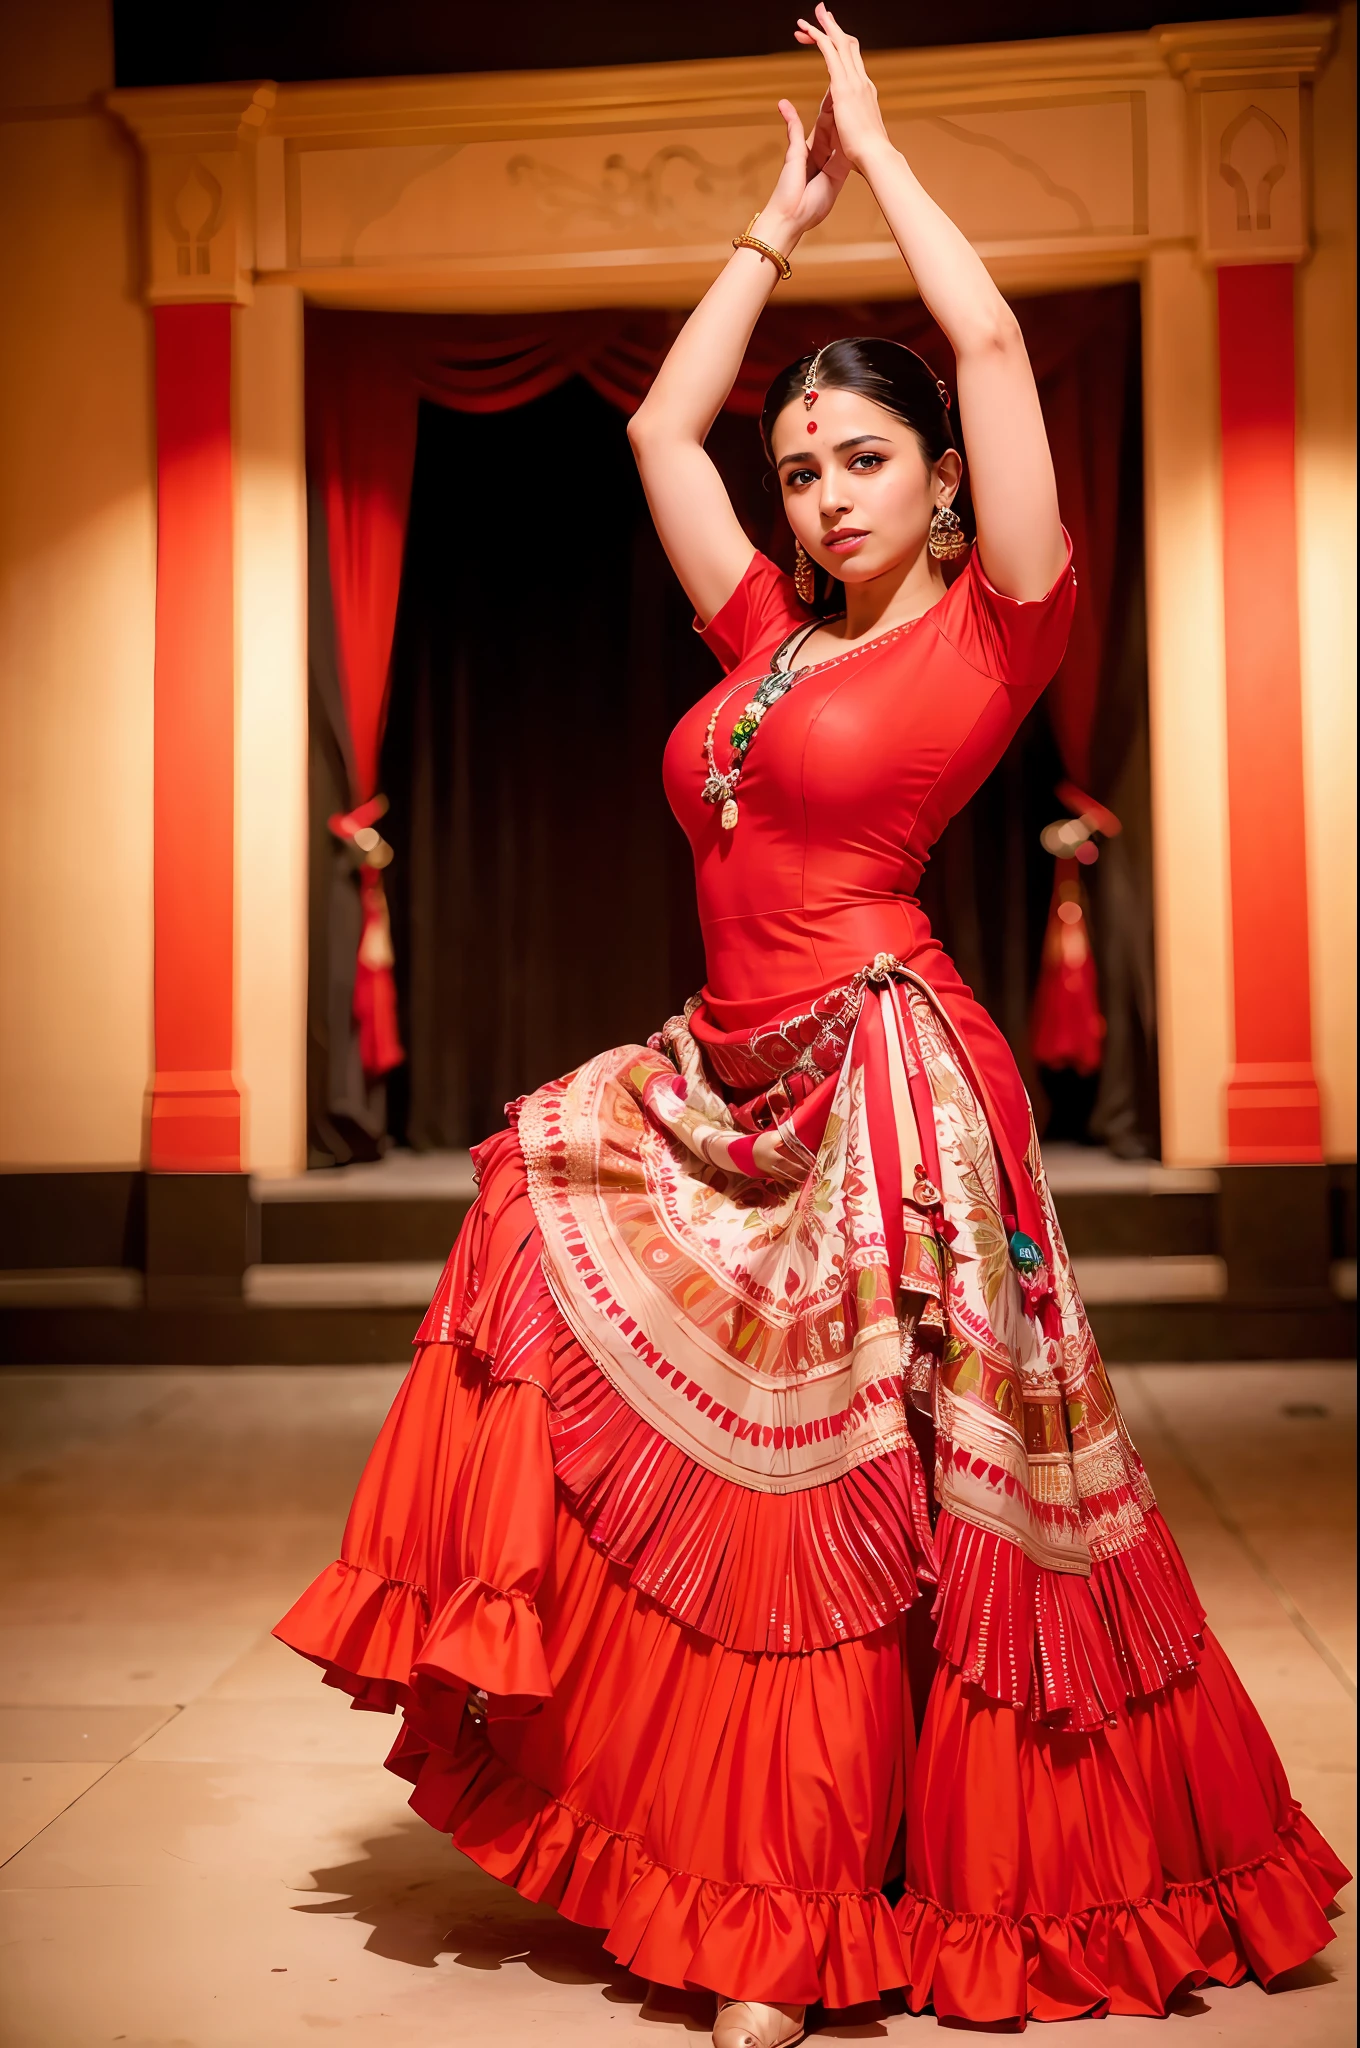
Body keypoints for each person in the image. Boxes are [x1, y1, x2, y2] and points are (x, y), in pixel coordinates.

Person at [276, 13, 1347, 2043]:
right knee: (578, 1281)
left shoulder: (996, 612)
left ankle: (799, 1915)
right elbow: (653, 441)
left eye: (861, 458)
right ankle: (753, 1871)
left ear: (944, 481)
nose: (822, 491)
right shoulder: (764, 636)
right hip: (720, 1071)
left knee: (854, 1503)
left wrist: (882, 151)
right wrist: (770, 229)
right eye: (804, 469)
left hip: (882, 1089)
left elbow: (1004, 358)